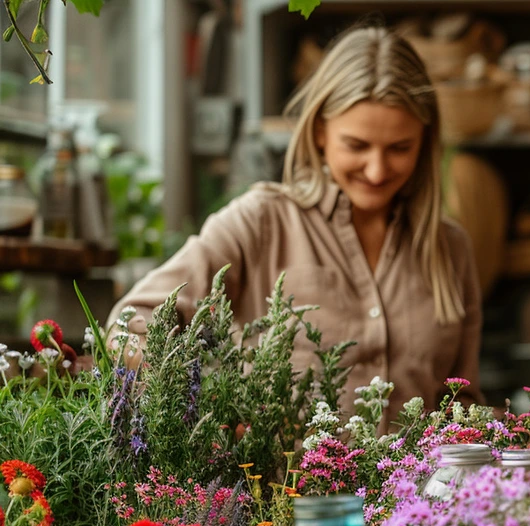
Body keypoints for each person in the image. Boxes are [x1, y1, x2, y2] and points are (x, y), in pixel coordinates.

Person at [107, 26, 484, 427]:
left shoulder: (450, 247)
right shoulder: (262, 221)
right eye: (357, 146)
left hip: (418, 489)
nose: (376, 170)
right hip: (283, 489)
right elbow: (127, 325)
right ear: (320, 131)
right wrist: (201, 407)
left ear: (425, 142)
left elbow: (463, 403)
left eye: (399, 148)